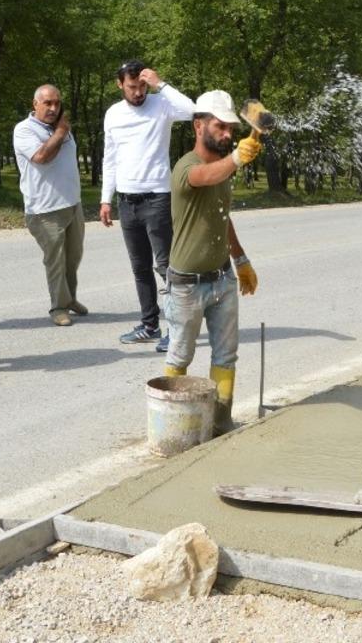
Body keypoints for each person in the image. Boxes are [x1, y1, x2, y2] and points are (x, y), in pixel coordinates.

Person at [161, 90, 263, 435]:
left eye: (231, 128)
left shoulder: (223, 171)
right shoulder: (185, 167)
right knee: (179, 357)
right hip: (187, 285)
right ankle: (176, 428)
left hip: (222, 280)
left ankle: (220, 424)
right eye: (220, 126)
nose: (227, 134)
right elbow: (203, 178)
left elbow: (223, 217)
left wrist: (241, 259)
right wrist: (236, 158)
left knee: (225, 356)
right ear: (198, 125)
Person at [99, 60, 196, 352]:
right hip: (127, 201)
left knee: (167, 267)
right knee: (140, 267)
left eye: (142, 86)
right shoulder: (113, 114)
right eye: (132, 87)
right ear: (120, 85)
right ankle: (149, 325)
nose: (138, 92)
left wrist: (160, 84)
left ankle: (175, 329)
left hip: (157, 197)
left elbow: (193, 110)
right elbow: (110, 157)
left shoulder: (161, 104)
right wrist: (106, 198)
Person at [13, 84, 87, 326]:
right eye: (48, 103)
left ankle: (70, 298)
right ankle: (58, 307)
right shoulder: (24, 130)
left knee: (73, 257)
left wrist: (61, 130)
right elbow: (42, 158)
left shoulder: (60, 129)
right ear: (35, 104)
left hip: (72, 203)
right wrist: (61, 131)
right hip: (45, 209)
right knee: (55, 260)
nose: (53, 108)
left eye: (57, 103)